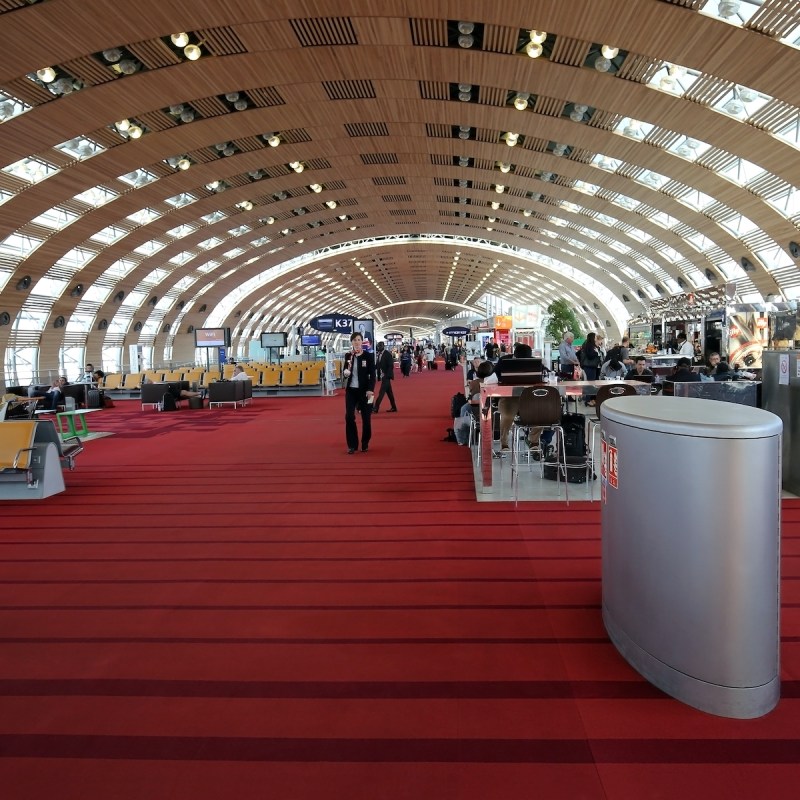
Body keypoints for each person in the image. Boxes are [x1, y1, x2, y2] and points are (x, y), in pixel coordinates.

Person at [342, 331, 375, 453]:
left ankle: (365, 442)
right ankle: (352, 445)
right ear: (351, 342)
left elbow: (373, 375)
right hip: (351, 390)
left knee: (366, 419)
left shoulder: (368, 356)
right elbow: (345, 373)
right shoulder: (348, 356)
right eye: (354, 340)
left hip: (365, 392)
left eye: (358, 340)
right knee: (349, 416)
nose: (356, 342)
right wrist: (345, 374)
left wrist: (371, 390)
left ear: (362, 342)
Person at [373, 342, 397, 413]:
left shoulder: (387, 354)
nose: (379, 347)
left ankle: (376, 408)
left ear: (383, 346)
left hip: (386, 376)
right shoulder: (379, 354)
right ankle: (394, 407)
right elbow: (377, 365)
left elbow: (391, 365)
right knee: (389, 393)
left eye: (380, 346)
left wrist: (387, 375)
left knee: (381, 392)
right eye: (378, 346)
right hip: (383, 376)